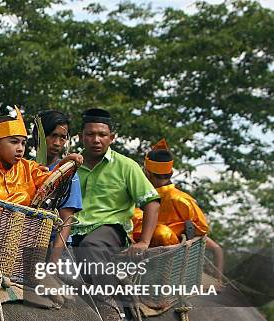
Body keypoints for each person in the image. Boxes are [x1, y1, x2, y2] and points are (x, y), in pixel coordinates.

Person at [71, 108, 160, 282]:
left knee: (91, 246)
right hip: (71, 230)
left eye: (102, 135)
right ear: (81, 137)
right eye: (90, 134)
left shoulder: (127, 166)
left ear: (112, 138)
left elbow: (151, 202)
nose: (96, 140)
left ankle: (110, 300)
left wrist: (144, 242)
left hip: (109, 230)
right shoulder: (70, 165)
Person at [133, 139, 224, 272]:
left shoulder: (140, 198)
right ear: (171, 173)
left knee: (160, 232)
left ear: (147, 173)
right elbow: (205, 234)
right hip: (166, 260)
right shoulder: (184, 200)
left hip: (155, 261)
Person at [0, 107, 82, 206]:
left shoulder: (30, 168)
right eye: (14, 142)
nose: (20, 148)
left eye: (23, 143)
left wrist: (63, 165)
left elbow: (48, 184)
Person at [34, 110, 83, 261]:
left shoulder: (68, 174)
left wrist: (53, 262)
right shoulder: (26, 167)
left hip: (55, 250)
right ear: (39, 135)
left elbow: (66, 222)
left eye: (62, 137)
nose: (57, 143)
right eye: (53, 135)